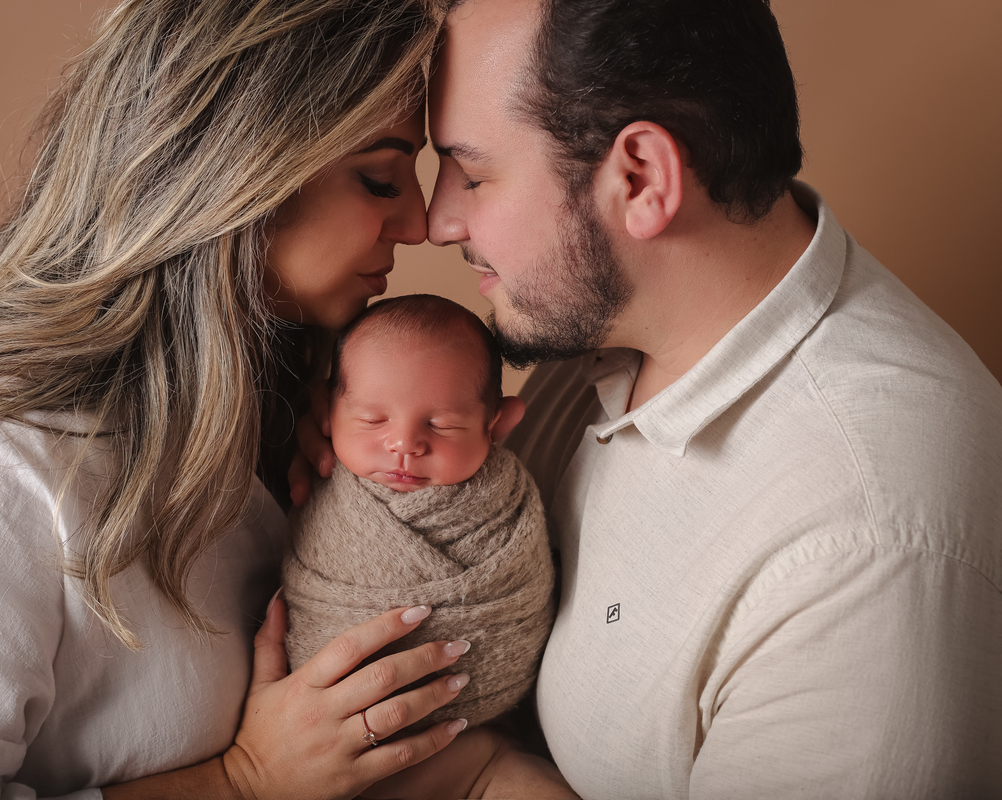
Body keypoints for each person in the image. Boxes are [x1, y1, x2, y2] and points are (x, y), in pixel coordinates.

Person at [299, 0, 1002, 796]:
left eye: (474, 173)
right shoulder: (612, 322)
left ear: (640, 178)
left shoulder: (867, 554)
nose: (438, 221)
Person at [0, 1, 479, 797]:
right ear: (236, 167)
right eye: (379, 178)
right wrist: (243, 783)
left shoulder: (304, 420)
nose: (421, 223)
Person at [283, 294, 553, 736]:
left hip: (491, 721)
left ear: (496, 423)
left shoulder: (509, 502)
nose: (405, 444)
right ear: (326, 411)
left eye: (442, 425)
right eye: (373, 420)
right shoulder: (310, 478)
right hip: (322, 723)